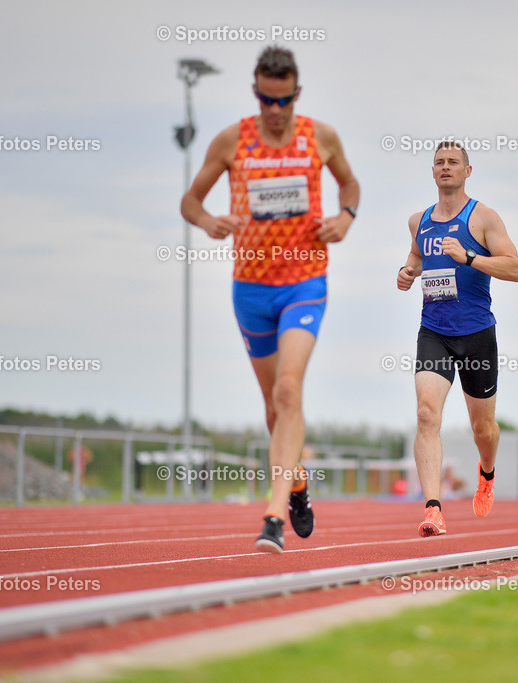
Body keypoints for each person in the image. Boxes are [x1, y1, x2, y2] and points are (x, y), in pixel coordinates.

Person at [181, 46, 360, 553]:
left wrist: (345, 218)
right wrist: (208, 220)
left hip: (305, 281)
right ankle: (297, 482)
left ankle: (273, 515)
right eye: (266, 100)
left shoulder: (320, 136)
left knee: (287, 391)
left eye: (283, 101)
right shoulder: (231, 140)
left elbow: (350, 183)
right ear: (256, 93)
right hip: (251, 288)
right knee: (271, 406)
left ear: (296, 94)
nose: (275, 110)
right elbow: (190, 200)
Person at [397, 141, 518, 537]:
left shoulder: (483, 217)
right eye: (439, 162)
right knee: (425, 414)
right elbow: (416, 259)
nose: (446, 167)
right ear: (432, 172)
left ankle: (487, 473)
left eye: (453, 162)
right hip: (434, 330)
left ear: (468, 171)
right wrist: (406, 271)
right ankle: (433, 508)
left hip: (477, 334)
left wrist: (468, 257)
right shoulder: (419, 221)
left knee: (482, 429)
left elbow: (515, 269)